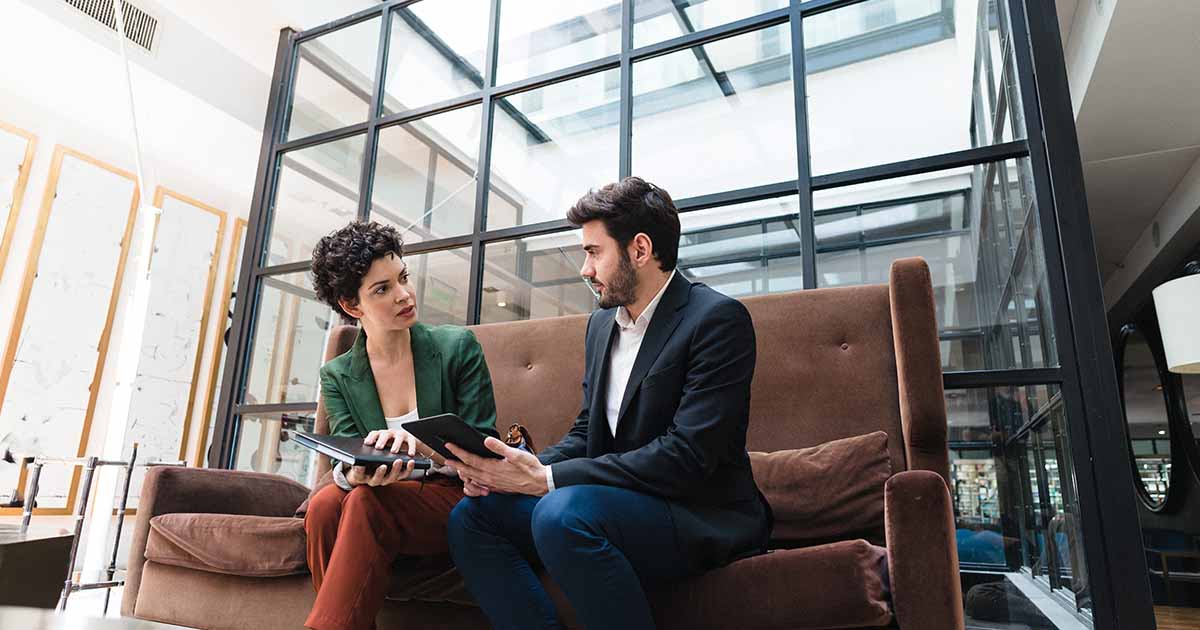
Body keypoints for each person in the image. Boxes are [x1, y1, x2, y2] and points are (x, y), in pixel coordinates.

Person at [446, 176, 771, 630]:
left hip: (699, 512)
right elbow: (589, 430)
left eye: (594, 252)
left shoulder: (716, 320)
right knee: (473, 517)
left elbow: (687, 456)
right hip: (615, 503)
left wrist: (547, 480)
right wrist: (517, 468)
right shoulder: (601, 325)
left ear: (640, 249)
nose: (585, 269)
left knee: (561, 514)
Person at [303, 221, 498, 630]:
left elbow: (485, 445)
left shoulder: (456, 347)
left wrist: (418, 444)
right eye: (382, 289)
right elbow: (347, 451)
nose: (404, 294)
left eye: (403, 278)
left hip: (454, 495)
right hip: (381, 493)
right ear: (352, 305)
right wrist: (353, 473)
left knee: (366, 502)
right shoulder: (337, 375)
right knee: (323, 506)